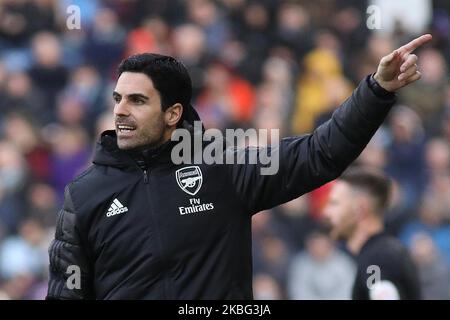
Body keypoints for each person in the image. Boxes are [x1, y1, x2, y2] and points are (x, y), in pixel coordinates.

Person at [46, 35, 432, 299]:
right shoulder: (85, 195)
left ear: (172, 113)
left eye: (136, 100)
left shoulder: (222, 169)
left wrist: (375, 91)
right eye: (117, 98)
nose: (120, 110)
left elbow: (320, 152)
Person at [324, 167, 421, 300]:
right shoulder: (377, 254)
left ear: (360, 209)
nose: (326, 213)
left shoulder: (378, 259)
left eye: (334, 203)